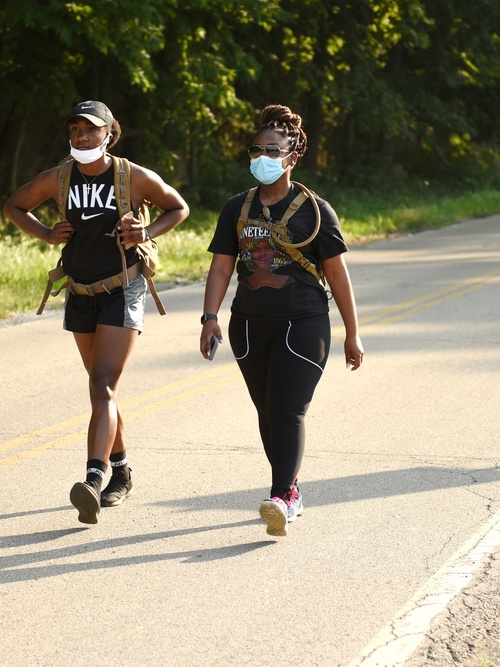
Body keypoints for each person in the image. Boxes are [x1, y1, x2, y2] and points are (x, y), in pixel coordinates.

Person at [3, 101, 190, 524]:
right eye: (74, 130)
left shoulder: (131, 176)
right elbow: (14, 206)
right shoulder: (60, 176)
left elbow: (178, 207)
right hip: (80, 289)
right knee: (100, 385)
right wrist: (47, 234)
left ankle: (92, 478)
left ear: (110, 133)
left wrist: (147, 230)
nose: (81, 137)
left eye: (90, 129)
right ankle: (122, 472)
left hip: (123, 288)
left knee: (103, 382)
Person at [200, 104, 364, 538]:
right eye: (257, 149)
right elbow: (220, 267)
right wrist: (209, 317)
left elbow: (337, 273)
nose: (262, 157)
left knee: (288, 409)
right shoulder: (236, 207)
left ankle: (280, 496)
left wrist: (353, 332)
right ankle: (290, 488)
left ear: (291, 157)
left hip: (304, 324)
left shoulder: (316, 210)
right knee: (267, 412)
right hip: (249, 325)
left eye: (272, 150)